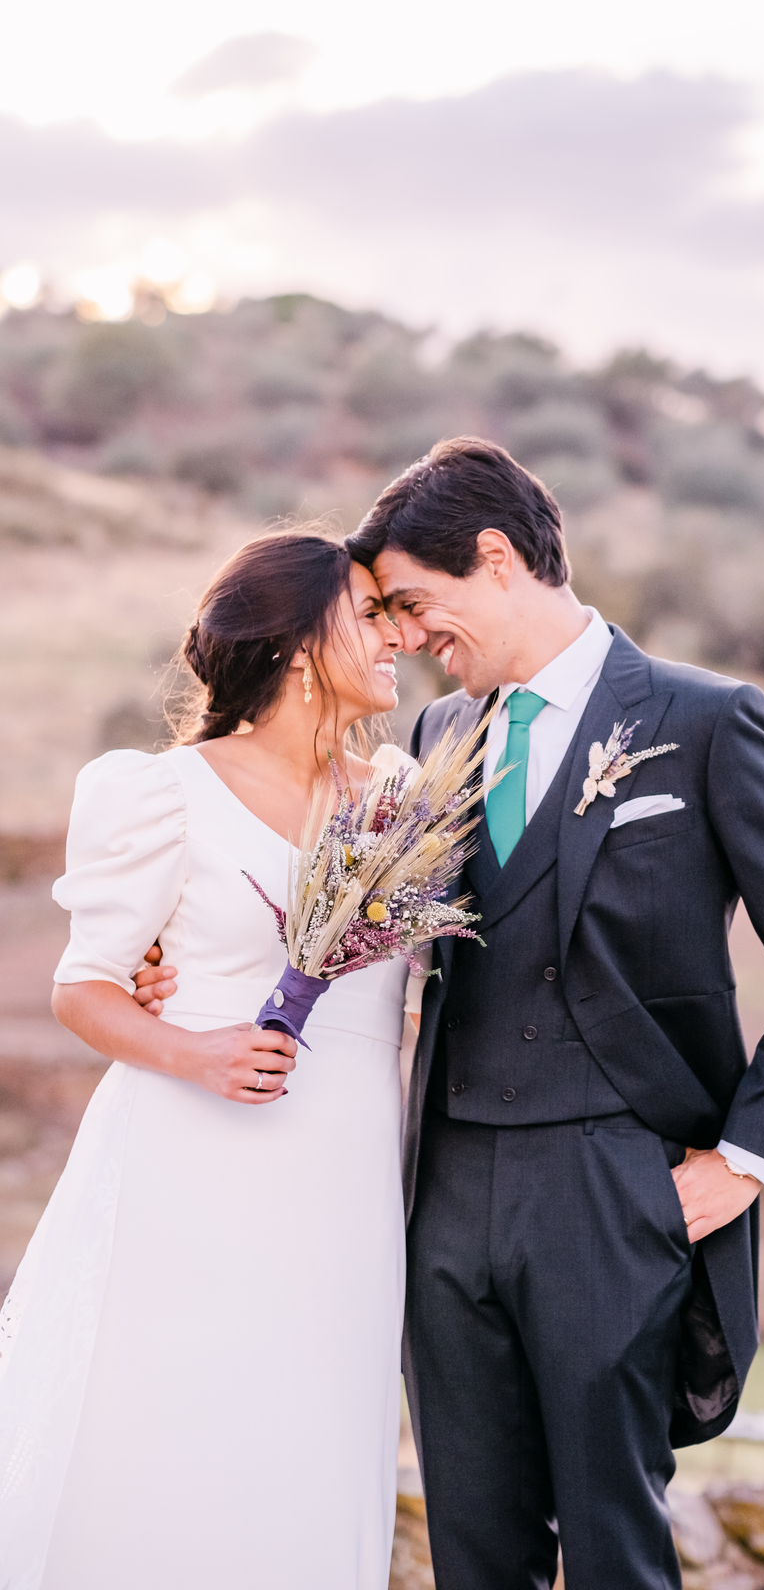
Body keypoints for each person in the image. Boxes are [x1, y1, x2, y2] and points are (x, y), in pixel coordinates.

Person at [344, 437, 764, 1590]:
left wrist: (747, 1162)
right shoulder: (441, 737)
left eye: (412, 603)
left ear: (495, 558)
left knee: (615, 1548)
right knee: (473, 1548)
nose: (403, 635)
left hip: (613, 1187)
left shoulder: (703, 719)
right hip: (447, 1190)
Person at [0, 533, 411, 1590]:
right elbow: (84, 989)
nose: (396, 634)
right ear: (302, 645)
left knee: (312, 1435)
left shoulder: (404, 799)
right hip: (188, 1162)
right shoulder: (164, 793)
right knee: (166, 1428)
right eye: (369, 613)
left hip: (348, 1182)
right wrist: (192, 1050)